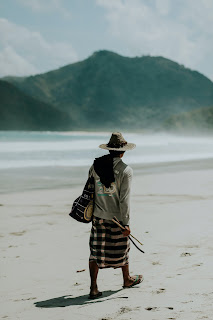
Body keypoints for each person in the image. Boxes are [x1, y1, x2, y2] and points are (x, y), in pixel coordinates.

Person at [88, 132, 143, 299]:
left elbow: (90, 191)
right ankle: (126, 279)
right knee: (123, 248)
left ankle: (93, 288)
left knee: (95, 251)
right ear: (123, 151)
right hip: (117, 218)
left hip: (98, 215)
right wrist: (126, 224)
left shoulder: (95, 166)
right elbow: (124, 200)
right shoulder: (125, 170)